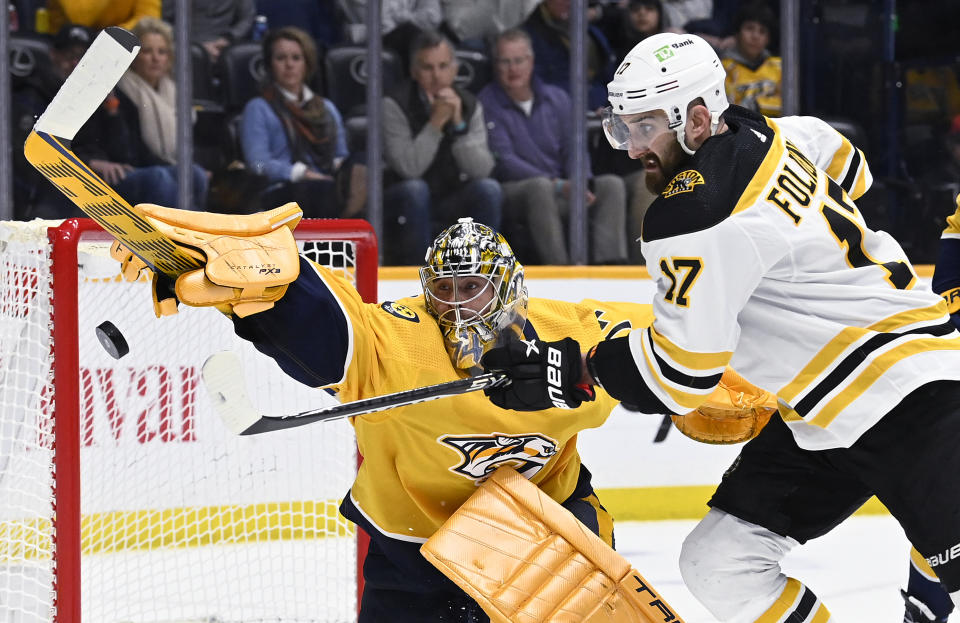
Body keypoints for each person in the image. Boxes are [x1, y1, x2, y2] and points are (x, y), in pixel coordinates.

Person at [480, 32, 960, 622]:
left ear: (699, 119)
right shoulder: (778, 132)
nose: (632, 149)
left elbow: (683, 373)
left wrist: (577, 369)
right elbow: (851, 167)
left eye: (646, 126)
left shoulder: (694, 213)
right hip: (823, 415)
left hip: (912, 398)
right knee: (720, 562)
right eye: (623, 126)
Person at [478, 28, 628, 265]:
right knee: (540, 188)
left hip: (562, 187)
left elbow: (575, 148)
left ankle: (608, 266)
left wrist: (581, 182)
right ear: (495, 65)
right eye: (505, 62)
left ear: (531, 61)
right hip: (516, 189)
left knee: (611, 185)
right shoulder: (487, 102)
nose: (513, 68)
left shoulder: (557, 98)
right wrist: (558, 185)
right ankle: (560, 269)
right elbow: (504, 161)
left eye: (519, 60)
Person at [381, 29, 502, 265]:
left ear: (455, 69)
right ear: (414, 72)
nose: (436, 76)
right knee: (416, 190)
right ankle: (420, 269)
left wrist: (458, 125)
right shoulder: (394, 104)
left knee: (488, 189)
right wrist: (435, 124)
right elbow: (409, 168)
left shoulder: (469, 104)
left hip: (450, 194)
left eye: (443, 66)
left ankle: (482, 268)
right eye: (427, 68)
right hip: (401, 197)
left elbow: (481, 170)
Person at [240, 26, 366, 217]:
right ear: (269, 65)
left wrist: (343, 172)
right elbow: (257, 163)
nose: (289, 65)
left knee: (362, 163)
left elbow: (340, 156)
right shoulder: (258, 108)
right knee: (318, 190)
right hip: (281, 191)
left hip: (327, 185)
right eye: (281, 58)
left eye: (296, 58)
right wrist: (299, 173)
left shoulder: (326, 108)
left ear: (307, 64)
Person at [111, 17, 209, 209]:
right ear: (134, 56)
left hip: (162, 166)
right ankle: (166, 238)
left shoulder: (176, 92)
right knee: (161, 177)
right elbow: (127, 150)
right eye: (147, 51)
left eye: (162, 52)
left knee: (195, 173)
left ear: (169, 58)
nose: (155, 58)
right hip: (130, 169)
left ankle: (193, 236)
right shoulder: (121, 88)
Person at [522, 0, 618, 111]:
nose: (569, 2)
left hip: (603, 113)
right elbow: (538, 86)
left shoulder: (591, 32)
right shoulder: (528, 39)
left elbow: (609, 76)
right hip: (563, 116)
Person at [720, 1, 781, 117]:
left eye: (762, 31)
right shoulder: (724, 68)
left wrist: (757, 104)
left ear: (768, 39)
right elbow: (726, 110)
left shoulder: (779, 67)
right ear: (737, 34)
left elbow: (789, 105)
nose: (755, 36)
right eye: (749, 28)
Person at [162, 0, 256, 62]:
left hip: (224, 46)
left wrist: (228, 39)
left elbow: (247, 19)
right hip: (187, 45)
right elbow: (164, 20)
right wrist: (195, 46)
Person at [45, 0, 160, 32]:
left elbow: (149, 18)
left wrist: (115, 35)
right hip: (71, 45)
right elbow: (81, 18)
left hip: (117, 45)